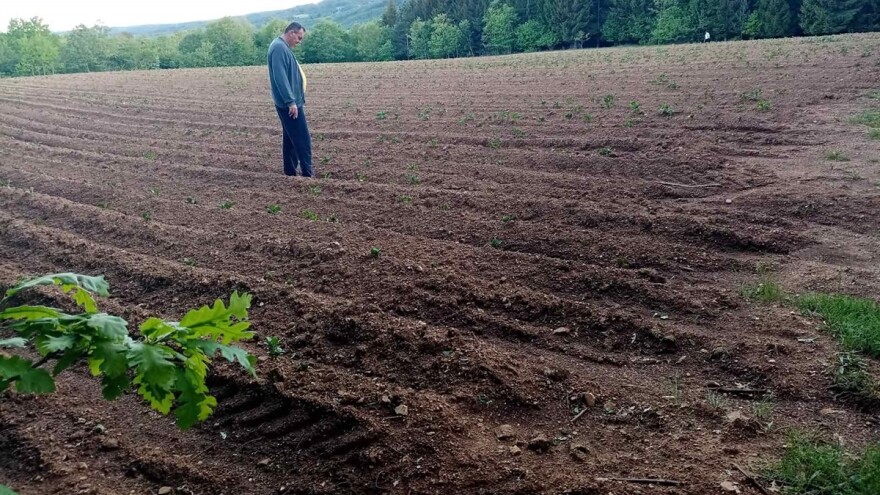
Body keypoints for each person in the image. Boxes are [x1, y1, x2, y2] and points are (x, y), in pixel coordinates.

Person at [268, 22, 312, 177]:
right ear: (291, 33)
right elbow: (280, 77)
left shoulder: (282, 47)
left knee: (290, 139)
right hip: (289, 104)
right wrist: (290, 101)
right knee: (302, 138)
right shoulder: (279, 48)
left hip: (292, 102)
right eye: (299, 38)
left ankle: (290, 173)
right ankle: (308, 174)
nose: (299, 41)